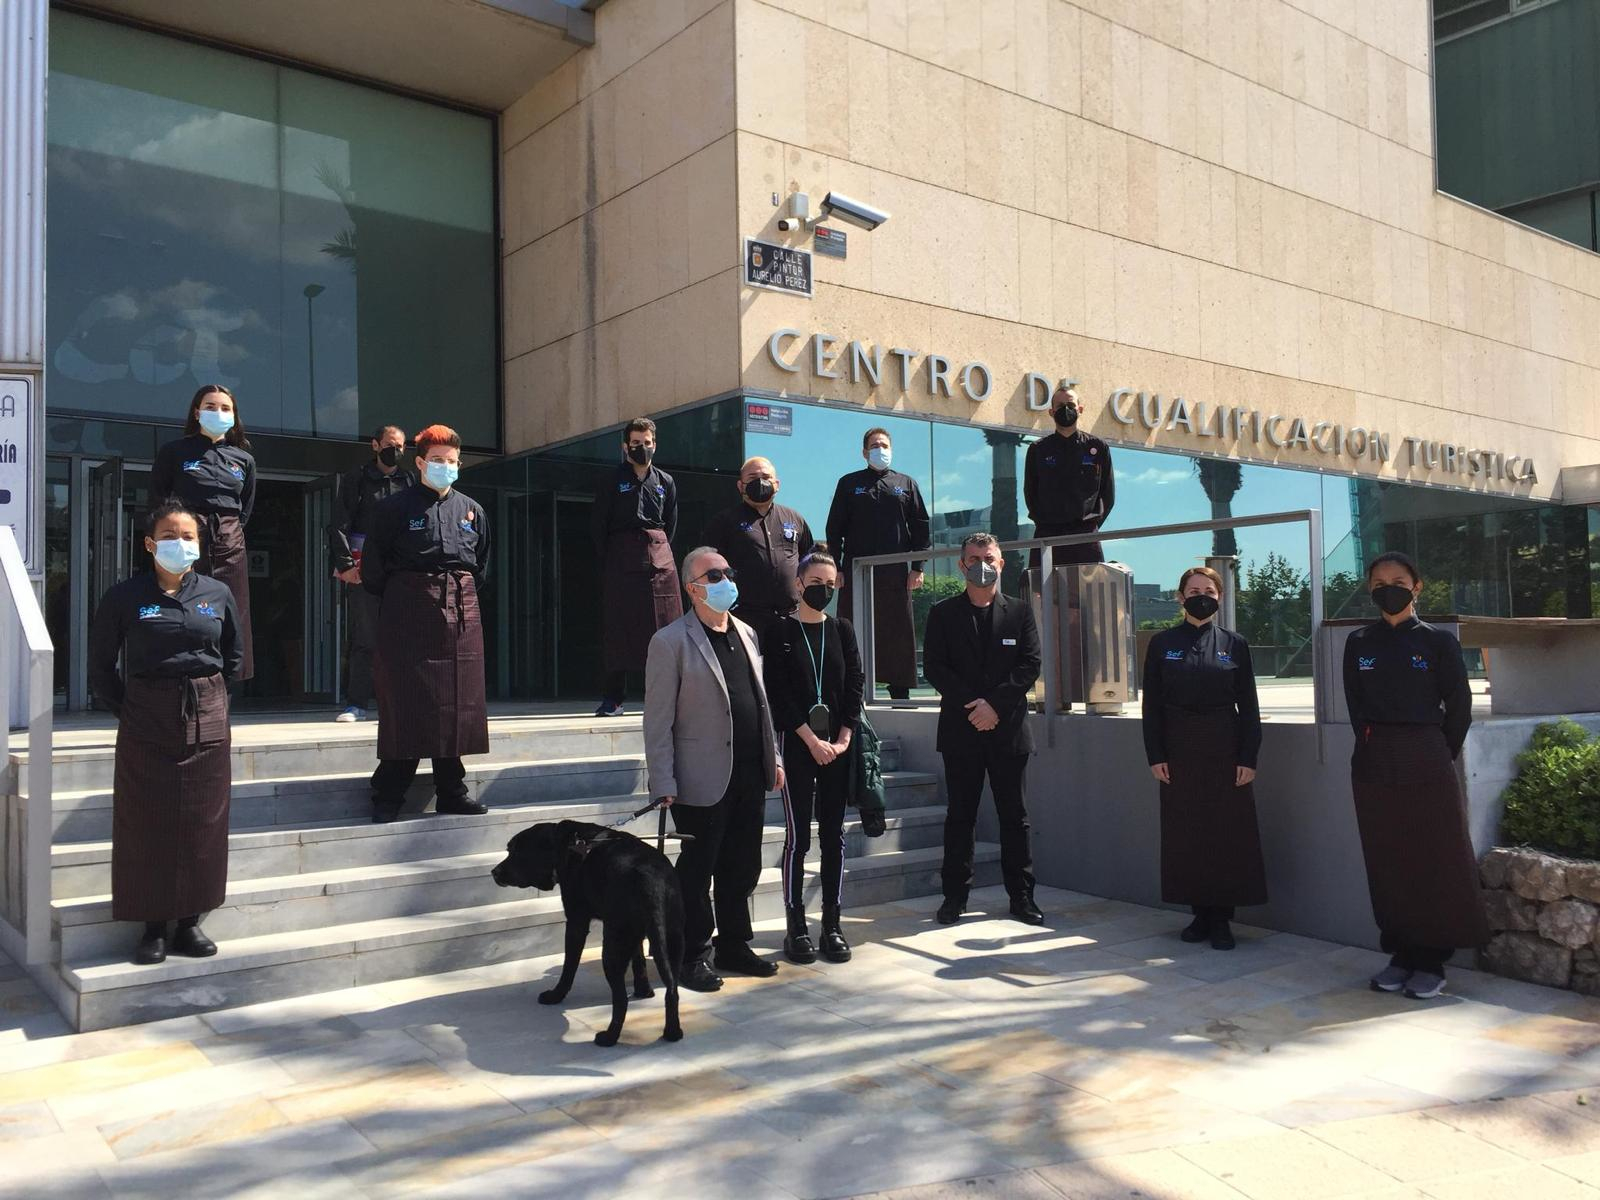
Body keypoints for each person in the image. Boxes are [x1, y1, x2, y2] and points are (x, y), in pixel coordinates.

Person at [88, 499, 243, 965]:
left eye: (189, 536)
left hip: (207, 712)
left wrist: (212, 698)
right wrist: (133, 709)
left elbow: (234, 657)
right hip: (147, 715)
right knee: (146, 818)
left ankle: (190, 922)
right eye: (170, 536)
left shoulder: (217, 593)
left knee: (203, 819)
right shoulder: (125, 596)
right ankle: (152, 926)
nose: (181, 543)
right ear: (151, 544)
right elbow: (100, 667)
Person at [1344, 551, 1488, 1001]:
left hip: (1426, 754)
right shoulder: (1360, 642)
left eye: (1398, 580)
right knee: (1387, 857)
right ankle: (1400, 953)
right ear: (1371, 589)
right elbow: (1355, 705)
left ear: (1416, 587)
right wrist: (1371, 746)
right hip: (1374, 758)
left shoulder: (1437, 642)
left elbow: (1458, 707)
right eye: (1380, 581)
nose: (1389, 587)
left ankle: (1431, 959)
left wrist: (1439, 752)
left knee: (1433, 856)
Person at [644, 545, 784, 992]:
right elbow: (658, 720)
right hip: (698, 778)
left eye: (728, 570)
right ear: (692, 588)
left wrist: (774, 758)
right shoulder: (670, 642)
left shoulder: (747, 632)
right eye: (715, 574)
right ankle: (692, 954)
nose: (726, 579)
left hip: (748, 772)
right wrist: (663, 781)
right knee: (697, 869)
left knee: (742, 867)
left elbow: (762, 705)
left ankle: (735, 945)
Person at [362, 424, 491, 824]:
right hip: (408, 614)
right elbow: (373, 570)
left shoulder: (473, 511)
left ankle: (452, 789)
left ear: (459, 465)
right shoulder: (392, 509)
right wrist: (413, 593)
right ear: (419, 463)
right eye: (436, 461)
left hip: (461, 612)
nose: (444, 467)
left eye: (451, 462)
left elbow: (481, 566)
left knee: (455, 701)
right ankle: (388, 793)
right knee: (408, 701)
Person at [1141, 566, 1265, 951]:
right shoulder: (1162, 644)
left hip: (1224, 747)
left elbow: (1249, 706)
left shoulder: (1235, 644)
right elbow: (1152, 708)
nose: (1201, 595)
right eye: (1193, 590)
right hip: (1178, 748)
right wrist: (1155, 754)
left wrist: (1248, 756)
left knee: (1226, 833)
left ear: (1220, 597)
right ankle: (1198, 913)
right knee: (1187, 831)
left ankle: (1223, 918)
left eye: (1208, 590)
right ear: (1180, 597)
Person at [922, 533, 1043, 926]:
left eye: (988, 557)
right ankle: (955, 897)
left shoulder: (1021, 612)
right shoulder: (942, 613)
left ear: (1002, 563)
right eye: (973, 558)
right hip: (961, 730)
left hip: (1008, 730)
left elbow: (1030, 663)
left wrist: (995, 705)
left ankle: (1021, 897)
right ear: (961, 565)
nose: (981, 564)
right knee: (961, 816)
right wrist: (974, 705)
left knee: (1015, 817)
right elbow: (936, 667)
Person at [764, 549, 866, 964]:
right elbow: (778, 692)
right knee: (798, 839)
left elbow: (855, 683)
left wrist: (842, 738)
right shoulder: (780, 631)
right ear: (799, 585)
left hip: (838, 747)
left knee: (834, 836)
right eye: (817, 584)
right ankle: (796, 926)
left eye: (831, 584)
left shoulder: (841, 629)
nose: (824, 590)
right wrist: (810, 740)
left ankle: (832, 924)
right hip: (799, 745)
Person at [150, 384, 257, 682]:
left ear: (234, 416)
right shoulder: (174, 451)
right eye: (210, 407)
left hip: (229, 538)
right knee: (184, 602)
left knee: (231, 608)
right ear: (197, 412)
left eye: (225, 408)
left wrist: (227, 530)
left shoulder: (243, 460)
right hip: (187, 537)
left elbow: (244, 508)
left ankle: (228, 678)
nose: (217, 412)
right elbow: (157, 500)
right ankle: (178, 670)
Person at [826, 428, 930, 701]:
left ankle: (900, 696)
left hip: (895, 574)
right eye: (874, 445)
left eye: (884, 445)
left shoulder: (906, 483)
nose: (879, 449)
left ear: (891, 449)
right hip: (855, 572)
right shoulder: (849, 484)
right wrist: (835, 567)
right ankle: (852, 695)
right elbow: (835, 528)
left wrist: (917, 566)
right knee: (852, 630)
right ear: (864, 452)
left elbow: (921, 527)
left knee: (897, 633)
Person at [592, 417, 682, 716]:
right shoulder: (610, 479)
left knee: (663, 628)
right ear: (625, 446)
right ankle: (614, 698)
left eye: (646, 443)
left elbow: (670, 525)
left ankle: (664, 698)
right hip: (621, 561)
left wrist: (657, 550)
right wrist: (614, 559)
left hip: (659, 563)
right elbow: (599, 527)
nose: (641, 448)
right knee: (619, 629)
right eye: (635, 444)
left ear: (654, 445)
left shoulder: (665, 482)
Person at [329, 425, 417, 722]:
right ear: (376, 445)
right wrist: (345, 566)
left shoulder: (409, 480)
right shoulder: (357, 479)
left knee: (402, 638)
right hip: (364, 567)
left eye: (402, 446)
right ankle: (356, 704)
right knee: (366, 638)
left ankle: (397, 702)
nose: (396, 450)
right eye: (391, 444)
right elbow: (339, 525)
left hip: (401, 569)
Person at [701, 457, 813, 648]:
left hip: (791, 619)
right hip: (746, 620)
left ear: (777, 484)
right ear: (740, 485)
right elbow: (707, 568)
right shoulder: (724, 522)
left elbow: (809, 562)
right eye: (752, 477)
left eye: (766, 477)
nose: (760, 482)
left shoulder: (795, 519)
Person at [1023, 385, 1115, 570]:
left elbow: (1108, 495)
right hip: (1048, 534)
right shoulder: (1038, 450)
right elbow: (1030, 493)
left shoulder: (1098, 448)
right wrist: (1044, 521)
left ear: (1080, 409)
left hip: (1085, 536)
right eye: (1060, 405)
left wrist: (1091, 525)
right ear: (1051, 412)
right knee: (1043, 593)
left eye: (1071, 405)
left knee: (1088, 594)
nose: (1066, 410)